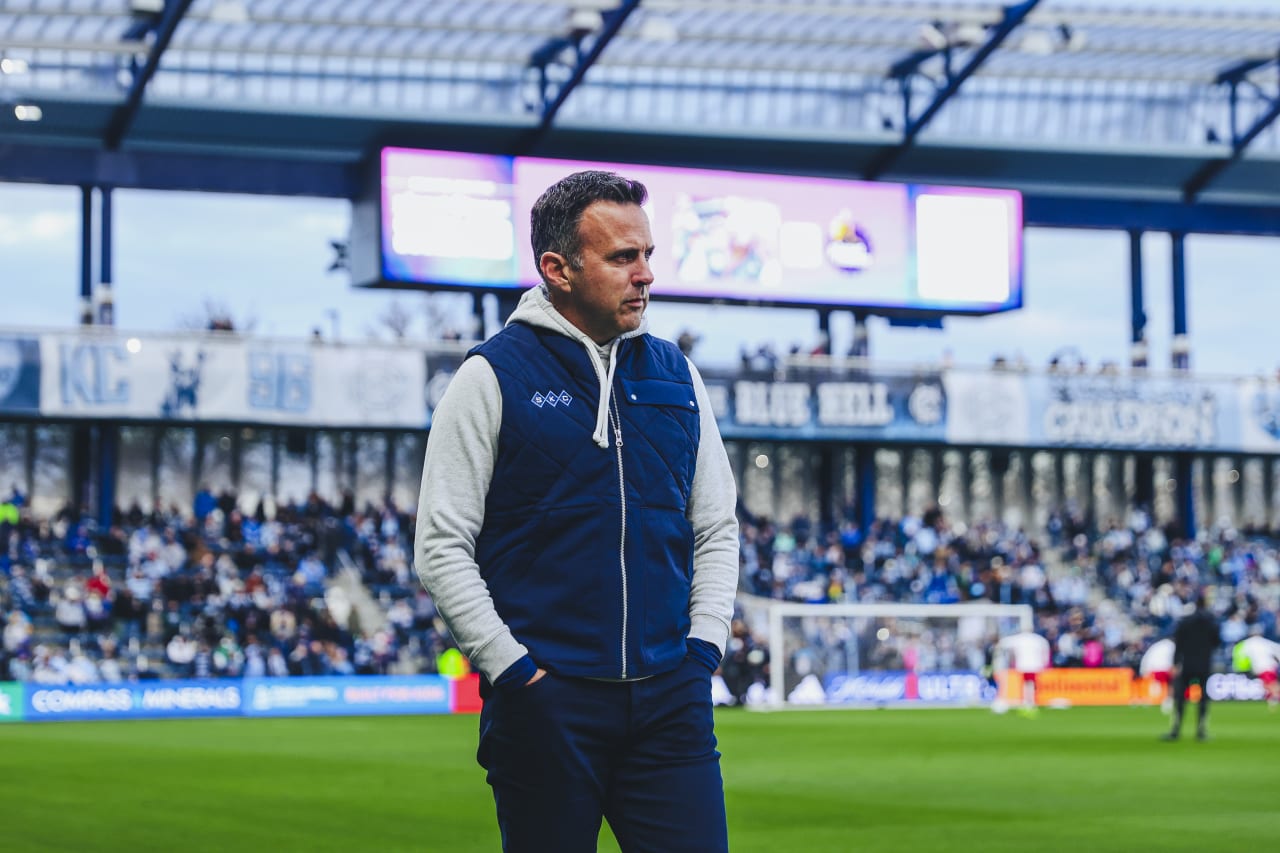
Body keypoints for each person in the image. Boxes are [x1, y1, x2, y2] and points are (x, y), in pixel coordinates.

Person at [414, 170, 739, 853]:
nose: (645, 274)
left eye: (648, 254)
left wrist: (702, 651)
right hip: (545, 705)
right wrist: (516, 671)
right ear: (557, 268)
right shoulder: (490, 377)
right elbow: (441, 546)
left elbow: (715, 525)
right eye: (624, 257)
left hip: (670, 702)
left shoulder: (676, 375)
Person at [1162, 591, 1221, 741]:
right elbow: (1217, 642)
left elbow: (1178, 644)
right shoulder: (1211, 622)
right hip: (1203, 664)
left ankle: (1176, 730)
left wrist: (1176, 663)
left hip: (1187, 664)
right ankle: (1201, 731)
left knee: (1180, 698)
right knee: (1203, 698)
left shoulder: (1185, 621)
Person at [994, 630, 1051, 715]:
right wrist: (1044, 662)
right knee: (1030, 684)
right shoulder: (1038, 639)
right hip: (1034, 665)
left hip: (1024, 665)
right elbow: (1046, 647)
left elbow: (1004, 642)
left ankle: (1028, 702)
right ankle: (1029, 702)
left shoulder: (1019, 639)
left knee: (1028, 684)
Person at [1233, 629, 1280, 709]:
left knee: (1271, 684)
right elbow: (1277, 649)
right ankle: (1273, 698)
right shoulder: (1265, 642)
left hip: (1263, 667)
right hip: (1270, 666)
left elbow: (1240, 653)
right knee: (1268, 684)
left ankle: (1275, 698)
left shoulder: (1248, 643)